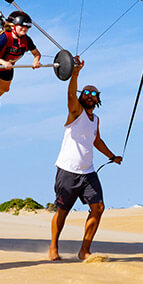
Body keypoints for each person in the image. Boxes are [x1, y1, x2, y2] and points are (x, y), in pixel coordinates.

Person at [48, 58, 122, 261]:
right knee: (63, 210)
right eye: (86, 92)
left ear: (98, 99)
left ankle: (84, 250)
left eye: (93, 93)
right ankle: (53, 247)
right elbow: (70, 94)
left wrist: (112, 156)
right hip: (68, 171)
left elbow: (96, 140)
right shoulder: (75, 112)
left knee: (98, 208)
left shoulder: (95, 120)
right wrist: (75, 73)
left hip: (88, 172)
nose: (89, 95)